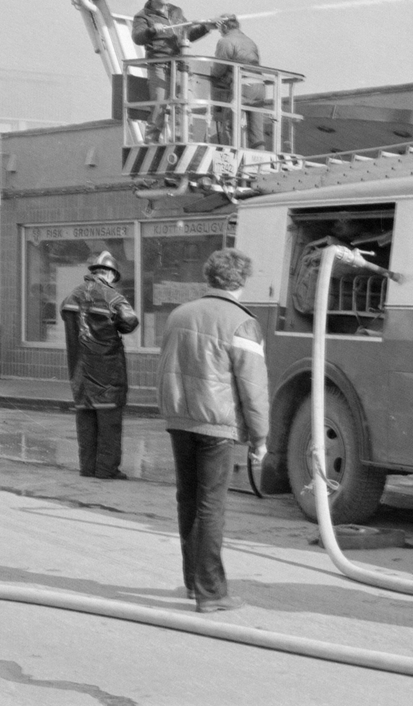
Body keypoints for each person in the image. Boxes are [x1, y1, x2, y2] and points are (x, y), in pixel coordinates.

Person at [156, 248, 269, 613]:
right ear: (241, 280)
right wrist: (260, 436)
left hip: (179, 419)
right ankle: (212, 593)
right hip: (217, 424)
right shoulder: (241, 322)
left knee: (187, 500)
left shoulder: (179, 314)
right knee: (210, 506)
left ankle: (193, 583)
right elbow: (253, 387)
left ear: (210, 277)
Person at [61, 252, 138, 479]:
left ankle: (87, 468)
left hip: (80, 372)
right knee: (109, 424)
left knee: (86, 423)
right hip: (107, 371)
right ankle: (106, 469)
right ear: (110, 274)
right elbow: (130, 321)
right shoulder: (113, 297)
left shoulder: (70, 298)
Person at [131, 0, 217, 144]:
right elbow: (137, 37)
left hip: (179, 65)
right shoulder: (143, 16)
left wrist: (206, 27)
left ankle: (180, 138)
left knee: (181, 103)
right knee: (159, 103)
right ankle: (151, 140)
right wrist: (151, 30)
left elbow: (187, 34)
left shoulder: (176, 12)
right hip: (159, 64)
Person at [210, 15, 266, 149]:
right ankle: (260, 158)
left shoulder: (226, 41)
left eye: (219, 29)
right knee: (256, 131)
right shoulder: (249, 40)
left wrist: (213, 75)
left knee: (231, 126)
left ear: (224, 27)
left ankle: (232, 158)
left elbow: (219, 68)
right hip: (259, 86)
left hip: (242, 86)